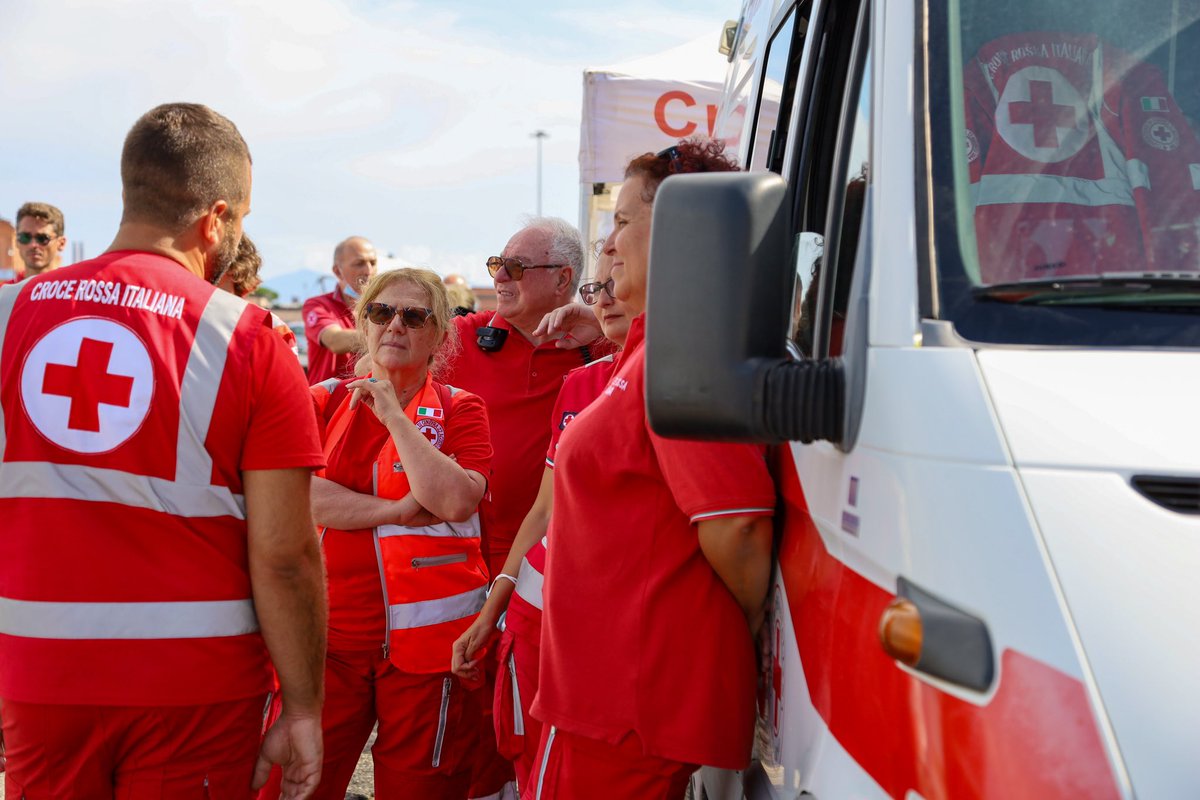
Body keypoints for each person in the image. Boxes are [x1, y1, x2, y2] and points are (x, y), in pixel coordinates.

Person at [0, 103, 327, 800]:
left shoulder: (8, 319)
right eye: (241, 218)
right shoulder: (246, 340)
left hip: (38, 675)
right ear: (214, 220)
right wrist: (303, 707)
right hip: (194, 690)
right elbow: (285, 556)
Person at [527, 138, 776, 799]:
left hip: (628, 707)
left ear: (682, 230)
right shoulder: (650, 350)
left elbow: (738, 527)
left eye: (622, 221)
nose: (608, 244)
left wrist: (731, 630)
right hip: (611, 699)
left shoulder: (680, 357)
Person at [442, 217, 613, 799]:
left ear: (563, 279)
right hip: (462, 561)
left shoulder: (603, 352)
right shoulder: (464, 336)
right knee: (461, 713)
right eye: (497, 264)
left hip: (552, 574)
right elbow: (384, 354)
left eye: (515, 267)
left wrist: (603, 328)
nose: (500, 278)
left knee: (528, 716)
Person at [307, 268, 493, 799]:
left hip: (429, 649)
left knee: (420, 790)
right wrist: (396, 510)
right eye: (381, 312)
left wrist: (394, 416)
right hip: (330, 640)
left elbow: (454, 500)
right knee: (299, 782)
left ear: (440, 336)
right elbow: (294, 494)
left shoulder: (460, 407)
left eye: (414, 316)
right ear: (362, 323)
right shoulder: (321, 399)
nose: (395, 325)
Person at [303, 236, 377, 383]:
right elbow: (334, 340)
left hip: (367, 395)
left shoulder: (383, 306)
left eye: (373, 263)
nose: (369, 270)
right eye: (359, 263)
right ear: (337, 271)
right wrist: (383, 338)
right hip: (329, 396)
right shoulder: (318, 305)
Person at [14, 201, 67, 279]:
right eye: (25, 237)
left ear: (61, 243)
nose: (33, 245)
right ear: (17, 241)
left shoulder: (76, 286)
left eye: (42, 238)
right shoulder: (6, 287)